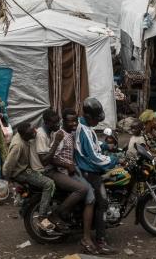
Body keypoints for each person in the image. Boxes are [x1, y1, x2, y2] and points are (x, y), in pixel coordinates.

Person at [46, 108, 97, 254]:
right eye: (70, 121)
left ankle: (86, 235)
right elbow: (52, 158)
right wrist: (67, 165)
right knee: (84, 190)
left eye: (75, 120)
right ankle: (57, 214)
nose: (74, 123)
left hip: (71, 170)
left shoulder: (71, 133)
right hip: (61, 172)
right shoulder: (60, 135)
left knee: (91, 196)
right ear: (64, 121)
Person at [75, 97, 118, 255]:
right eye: (96, 119)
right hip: (88, 170)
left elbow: (93, 146)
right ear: (89, 116)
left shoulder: (85, 126)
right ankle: (101, 241)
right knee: (102, 202)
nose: (97, 122)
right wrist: (114, 160)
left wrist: (105, 145)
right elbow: (94, 157)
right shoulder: (84, 129)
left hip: (88, 167)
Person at [3, 121, 59, 229]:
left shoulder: (23, 135)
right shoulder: (18, 145)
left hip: (25, 168)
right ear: (24, 135)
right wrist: (8, 180)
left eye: (33, 129)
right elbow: (8, 165)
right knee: (49, 184)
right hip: (21, 172)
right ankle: (42, 216)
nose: (35, 133)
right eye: (31, 132)